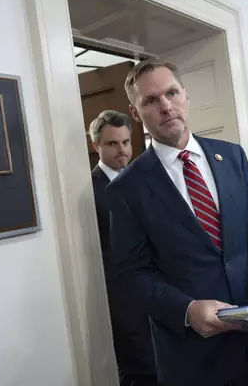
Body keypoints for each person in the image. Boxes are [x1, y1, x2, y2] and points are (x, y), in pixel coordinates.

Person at [107, 59, 248, 386]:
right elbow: (131, 275)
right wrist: (186, 311)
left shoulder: (231, 156)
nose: (166, 105)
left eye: (172, 93)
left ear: (186, 95)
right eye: (150, 100)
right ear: (136, 113)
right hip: (191, 353)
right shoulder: (126, 189)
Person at [89, 110, 159, 386]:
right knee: (139, 371)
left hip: (157, 291)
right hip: (122, 300)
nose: (122, 149)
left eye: (126, 142)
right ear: (96, 146)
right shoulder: (89, 190)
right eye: (112, 143)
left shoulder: (142, 180)